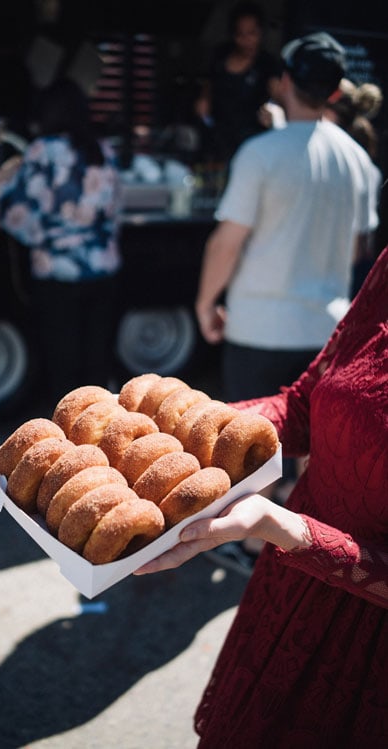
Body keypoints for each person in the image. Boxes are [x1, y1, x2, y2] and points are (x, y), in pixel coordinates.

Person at [135, 241, 388, 747]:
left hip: (364, 651)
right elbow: (304, 407)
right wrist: (197, 424)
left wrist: (286, 530)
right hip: (288, 587)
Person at [194, 31, 375, 571]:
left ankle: (251, 544)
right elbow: (358, 248)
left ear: (284, 82)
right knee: (308, 455)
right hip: (326, 327)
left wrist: (207, 303)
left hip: (260, 323)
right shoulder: (358, 159)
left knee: (249, 451)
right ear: (335, 92)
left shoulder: (261, 152)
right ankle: (285, 544)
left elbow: (226, 241)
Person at [0, 76, 122, 406]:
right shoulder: (102, 150)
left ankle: (69, 443)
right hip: (102, 270)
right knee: (96, 364)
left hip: (58, 273)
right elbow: (114, 210)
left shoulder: (42, 151)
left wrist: (0, 183)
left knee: (63, 366)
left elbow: (20, 215)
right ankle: (101, 434)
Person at [195, 1, 282, 162]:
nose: (246, 40)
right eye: (240, 34)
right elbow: (208, 87)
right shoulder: (220, 55)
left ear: (261, 32)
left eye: (252, 33)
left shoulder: (267, 64)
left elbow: (278, 96)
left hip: (251, 139)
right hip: (218, 135)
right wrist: (203, 102)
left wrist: (274, 113)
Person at [324, 78, 384, 297]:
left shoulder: (344, 161)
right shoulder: (363, 163)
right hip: (354, 259)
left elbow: (358, 240)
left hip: (343, 262)